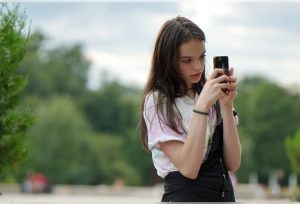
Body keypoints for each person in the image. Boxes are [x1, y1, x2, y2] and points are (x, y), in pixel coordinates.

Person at [140, 16, 241, 202]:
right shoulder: (158, 101)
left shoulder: (208, 93)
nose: (198, 66)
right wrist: (202, 106)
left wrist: (226, 106)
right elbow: (189, 168)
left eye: (202, 56)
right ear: (169, 60)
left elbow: (233, 163)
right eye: (187, 60)